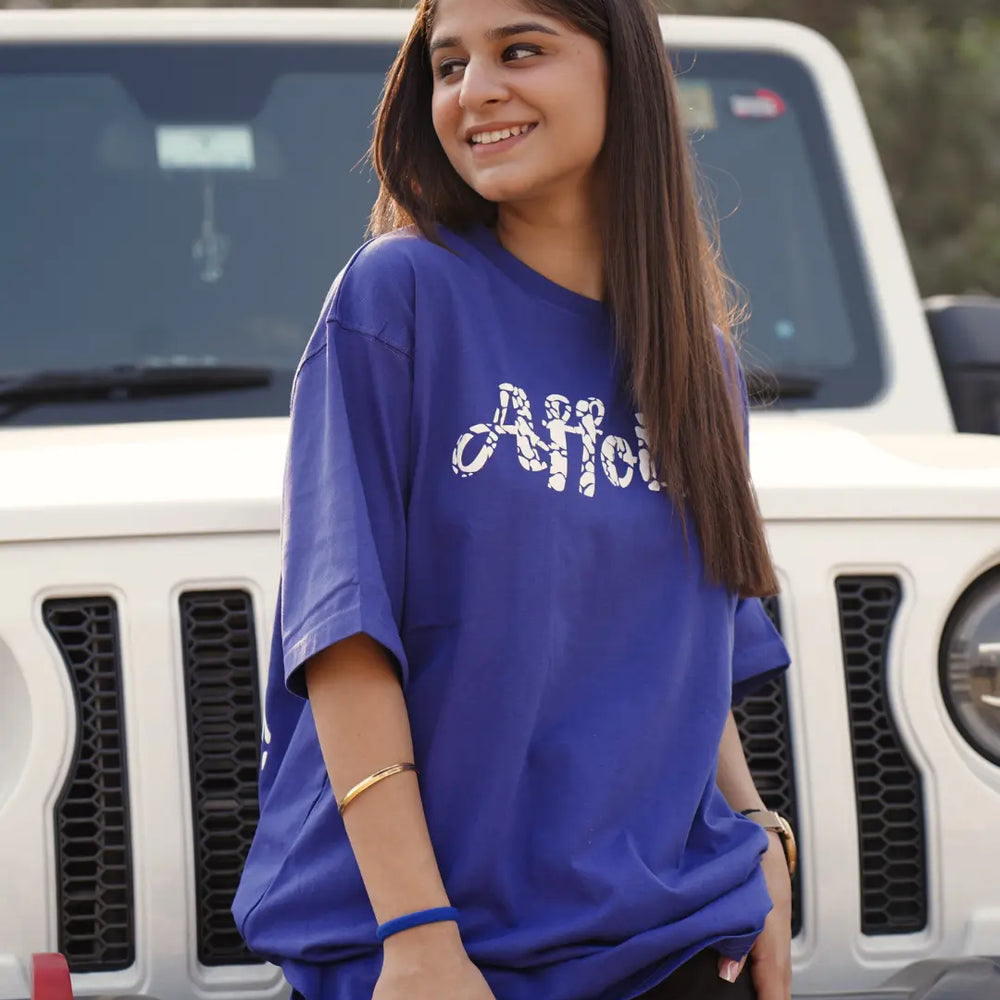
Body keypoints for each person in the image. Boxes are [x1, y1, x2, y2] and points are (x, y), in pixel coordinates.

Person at [232, 0, 794, 998]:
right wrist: (415, 934)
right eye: (448, 66)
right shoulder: (398, 298)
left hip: (670, 942)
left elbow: (684, 642)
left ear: (621, 71)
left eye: (519, 50)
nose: (474, 91)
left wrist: (759, 836)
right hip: (434, 953)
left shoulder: (699, 365)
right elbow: (343, 639)